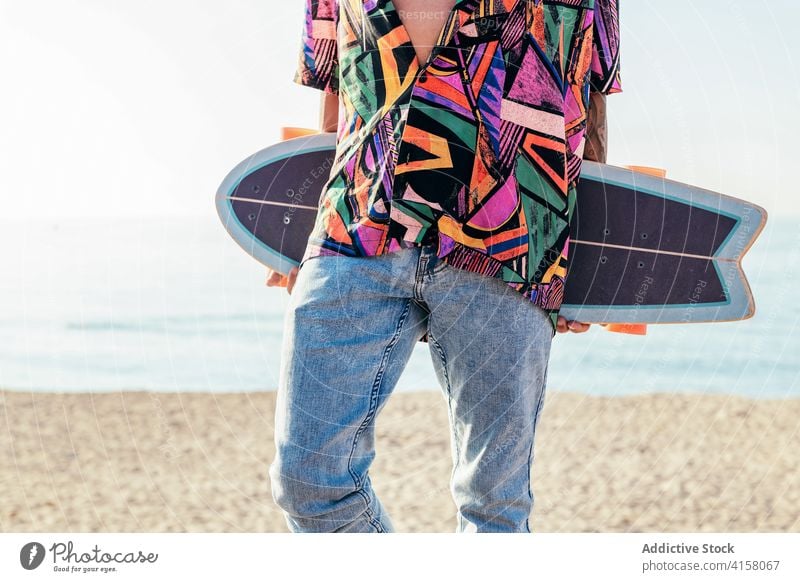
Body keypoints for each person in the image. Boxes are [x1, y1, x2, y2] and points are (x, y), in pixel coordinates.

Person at [267, 0, 622, 532]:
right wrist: (301, 231)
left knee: (493, 505)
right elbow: (339, 91)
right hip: (358, 219)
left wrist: (588, 264)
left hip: (512, 231)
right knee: (306, 479)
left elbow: (588, 104)